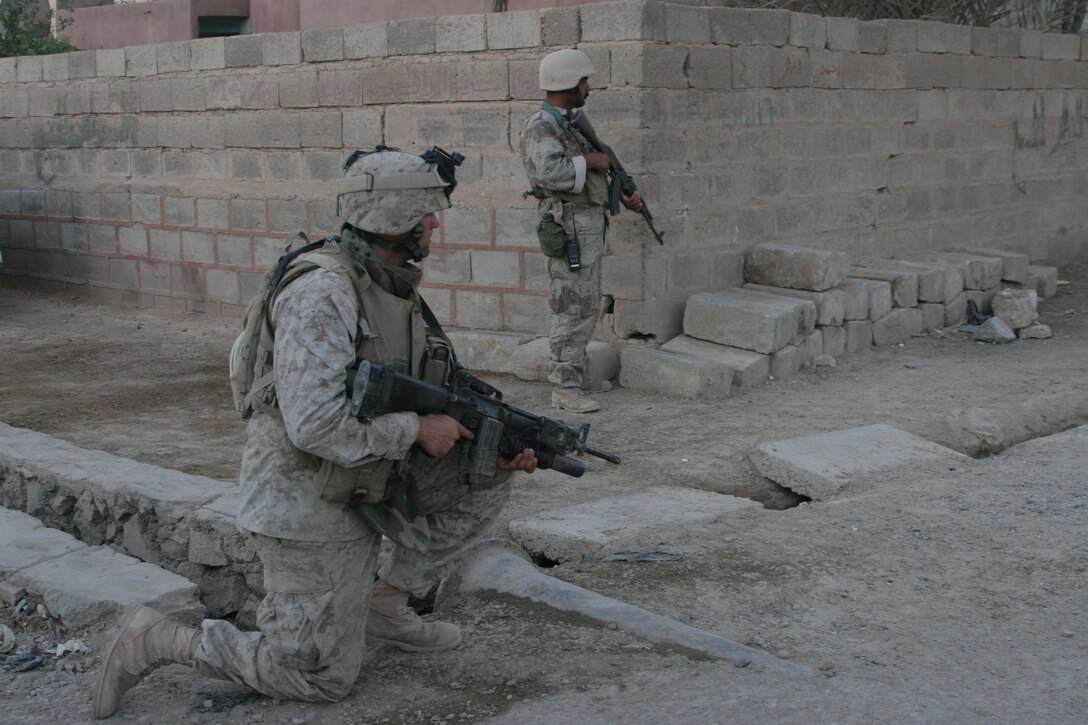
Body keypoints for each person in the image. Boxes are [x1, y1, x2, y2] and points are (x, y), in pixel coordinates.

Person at [92, 147, 537, 718]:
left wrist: (485, 442)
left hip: (364, 476)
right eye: (426, 211)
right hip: (306, 504)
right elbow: (316, 425)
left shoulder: (388, 284)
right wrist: (417, 429)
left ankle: (385, 604)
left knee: (484, 478)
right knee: (317, 678)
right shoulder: (323, 293)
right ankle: (159, 640)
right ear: (393, 217)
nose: (434, 223)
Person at [520, 48, 644, 414]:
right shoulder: (541, 125)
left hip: (586, 225)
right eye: (583, 81)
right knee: (571, 306)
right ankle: (563, 387)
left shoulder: (567, 122)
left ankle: (577, 373)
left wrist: (621, 189)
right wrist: (590, 160)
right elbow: (545, 173)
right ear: (566, 84)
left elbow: (592, 171)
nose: (589, 87)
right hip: (569, 227)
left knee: (586, 303)